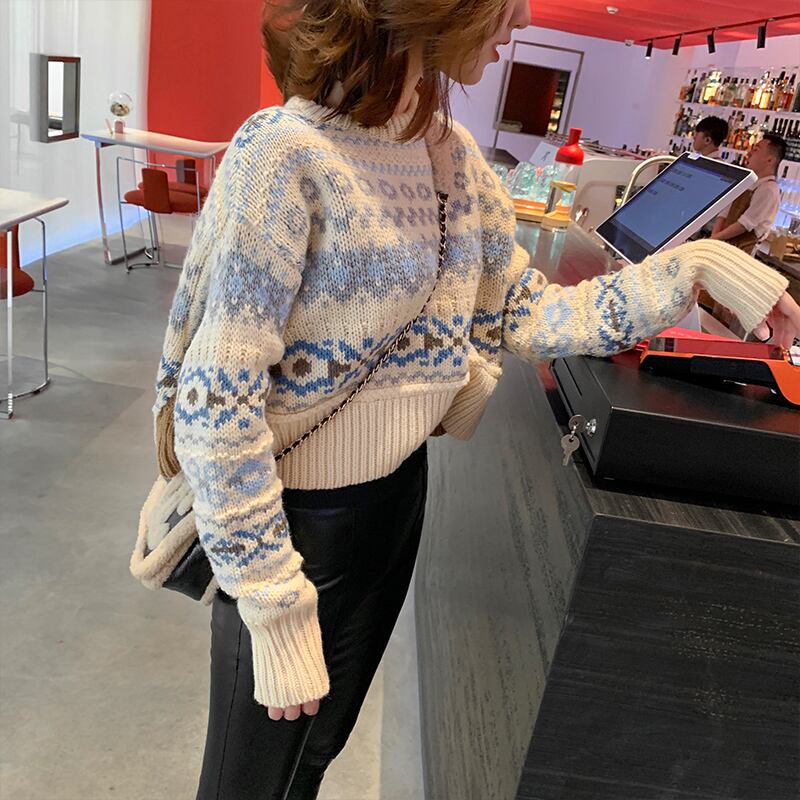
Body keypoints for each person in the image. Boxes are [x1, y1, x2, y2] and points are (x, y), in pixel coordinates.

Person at [151, 2, 800, 797]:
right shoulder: (284, 153)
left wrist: (695, 269)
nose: (519, 15)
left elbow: (523, 311)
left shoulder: (450, 157)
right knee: (247, 783)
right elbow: (217, 405)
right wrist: (270, 600)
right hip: (294, 525)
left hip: (396, 502)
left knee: (315, 757)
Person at [711, 133, 785, 252]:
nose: (749, 153)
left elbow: (744, 224)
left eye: (755, 150)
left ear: (770, 160)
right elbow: (724, 212)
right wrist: (714, 238)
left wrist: (714, 239)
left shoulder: (769, 189)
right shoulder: (747, 182)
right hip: (722, 245)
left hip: (740, 252)